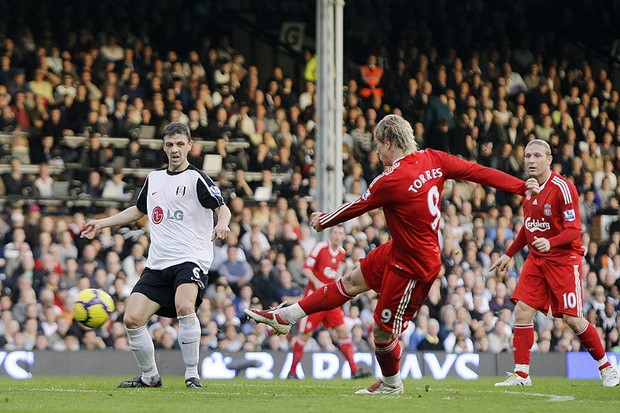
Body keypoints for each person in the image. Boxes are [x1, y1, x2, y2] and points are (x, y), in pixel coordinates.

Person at [245, 114, 538, 395]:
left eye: (377, 145)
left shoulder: (391, 178)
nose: (377, 152)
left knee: (382, 334)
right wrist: (521, 186)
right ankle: (287, 316)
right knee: (349, 283)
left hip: (414, 265)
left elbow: (356, 206)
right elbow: (478, 172)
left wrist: (323, 220)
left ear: (387, 141)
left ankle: (391, 383)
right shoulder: (434, 158)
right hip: (400, 248)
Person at [81, 122, 231, 389]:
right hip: (158, 263)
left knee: (185, 307)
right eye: (170, 145)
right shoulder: (154, 179)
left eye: (180, 144)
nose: (175, 150)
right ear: (164, 147)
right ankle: (150, 377)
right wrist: (102, 223)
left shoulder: (196, 179)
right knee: (132, 318)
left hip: (190, 258)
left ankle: (191, 375)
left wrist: (222, 223)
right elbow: (138, 210)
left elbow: (223, 208)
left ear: (189, 146)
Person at [490, 139, 619, 388]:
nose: (531, 160)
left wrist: (551, 243)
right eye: (527, 156)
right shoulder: (528, 190)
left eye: (537, 156)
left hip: (564, 260)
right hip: (538, 259)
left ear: (549, 160)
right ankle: (521, 374)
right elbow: (528, 228)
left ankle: (606, 366)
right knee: (522, 310)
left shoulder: (563, 188)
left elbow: (575, 230)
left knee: (573, 319)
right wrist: (509, 254)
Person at [287, 224, 371, 380]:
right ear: (330, 234)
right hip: (314, 298)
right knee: (305, 334)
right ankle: (292, 372)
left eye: (340, 233)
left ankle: (354, 369)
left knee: (343, 331)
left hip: (330, 299)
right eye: (335, 233)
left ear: (344, 237)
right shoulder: (320, 247)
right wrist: (317, 282)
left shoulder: (341, 253)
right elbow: (306, 269)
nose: (337, 236)